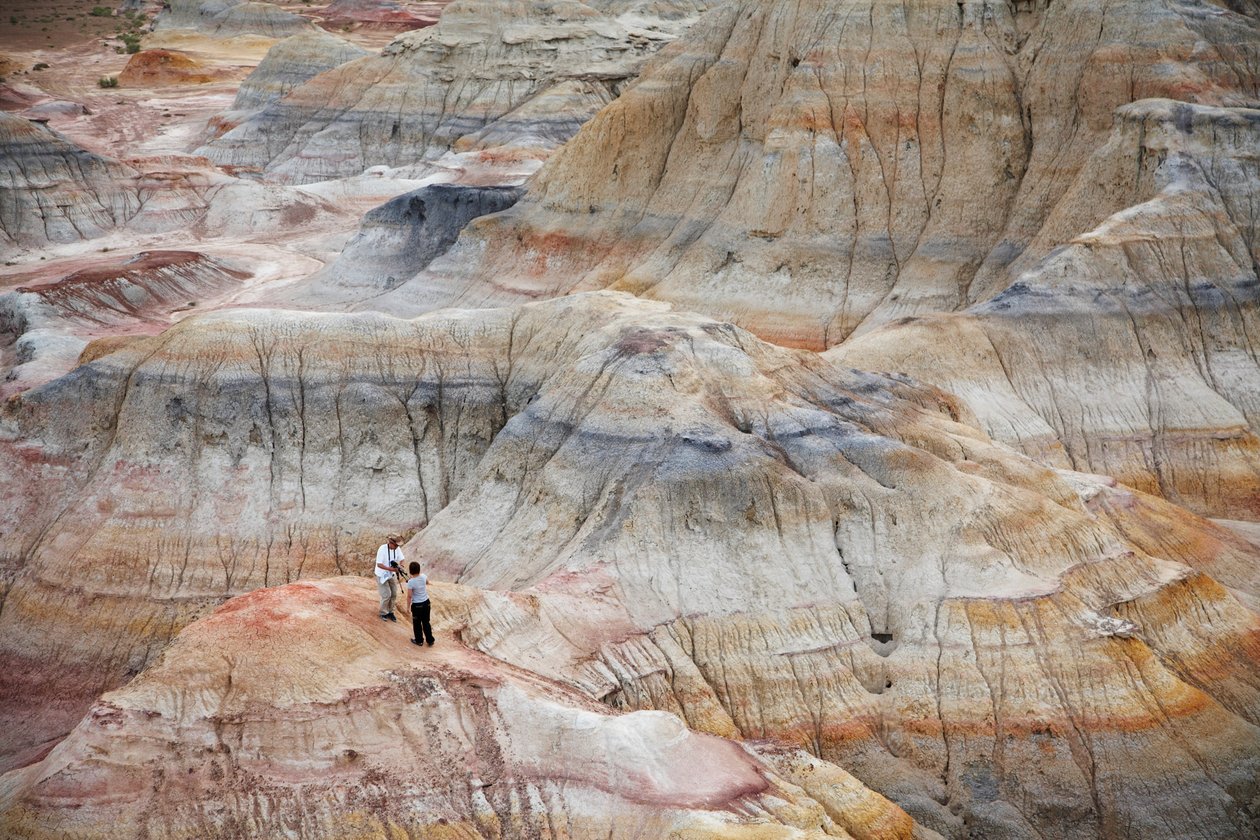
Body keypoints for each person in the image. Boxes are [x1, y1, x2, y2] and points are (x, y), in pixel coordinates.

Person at [374, 534, 404, 621]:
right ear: (390, 543)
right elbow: (379, 564)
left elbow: (402, 559)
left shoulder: (397, 549)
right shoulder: (382, 549)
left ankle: (390, 612)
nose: (396, 547)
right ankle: (383, 613)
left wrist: (401, 565)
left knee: (394, 593)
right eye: (395, 545)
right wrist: (391, 569)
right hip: (381, 575)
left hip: (391, 575)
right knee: (387, 595)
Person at [406, 561, 435, 646]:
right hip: (426, 603)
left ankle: (419, 640)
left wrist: (408, 607)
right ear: (419, 569)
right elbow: (427, 582)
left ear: (410, 571)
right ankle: (430, 640)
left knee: (417, 624)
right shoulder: (423, 576)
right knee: (426, 622)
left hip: (417, 605)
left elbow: (409, 596)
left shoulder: (411, 582)